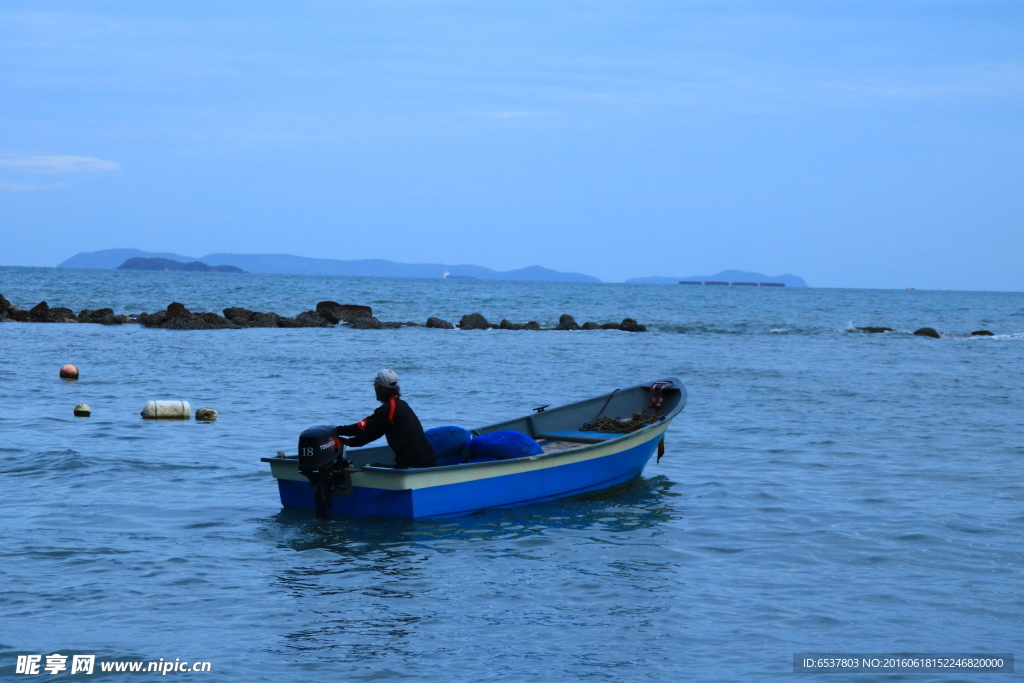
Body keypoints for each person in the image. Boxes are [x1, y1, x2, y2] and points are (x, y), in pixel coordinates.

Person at [335, 369, 436, 469]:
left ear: (379, 388)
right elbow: (372, 434)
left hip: (412, 466)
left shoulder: (389, 409)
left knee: (368, 467)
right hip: (428, 463)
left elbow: (361, 427)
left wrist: (336, 430)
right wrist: (347, 442)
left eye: (374, 386)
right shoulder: (400, 405)